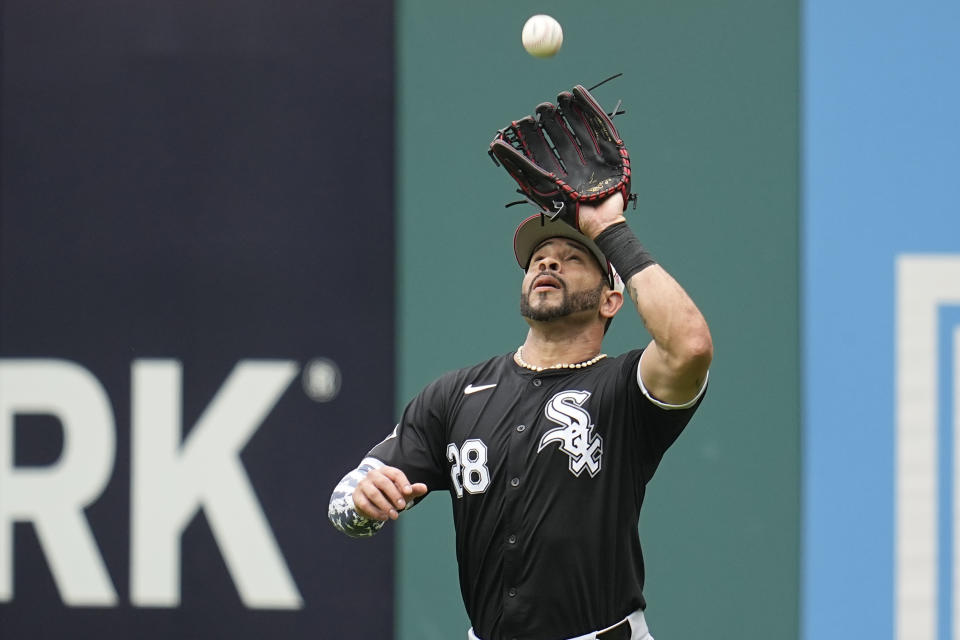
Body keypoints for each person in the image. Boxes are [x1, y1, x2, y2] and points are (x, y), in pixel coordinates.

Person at [328, 191, 712, 640]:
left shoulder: (624, 389)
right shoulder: (456, 394)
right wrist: (361, 504)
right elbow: (346, 497)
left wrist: (609, 232)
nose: (548, 264)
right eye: (539, 259)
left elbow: (690, 345)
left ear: (611, 300)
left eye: (572, 257)